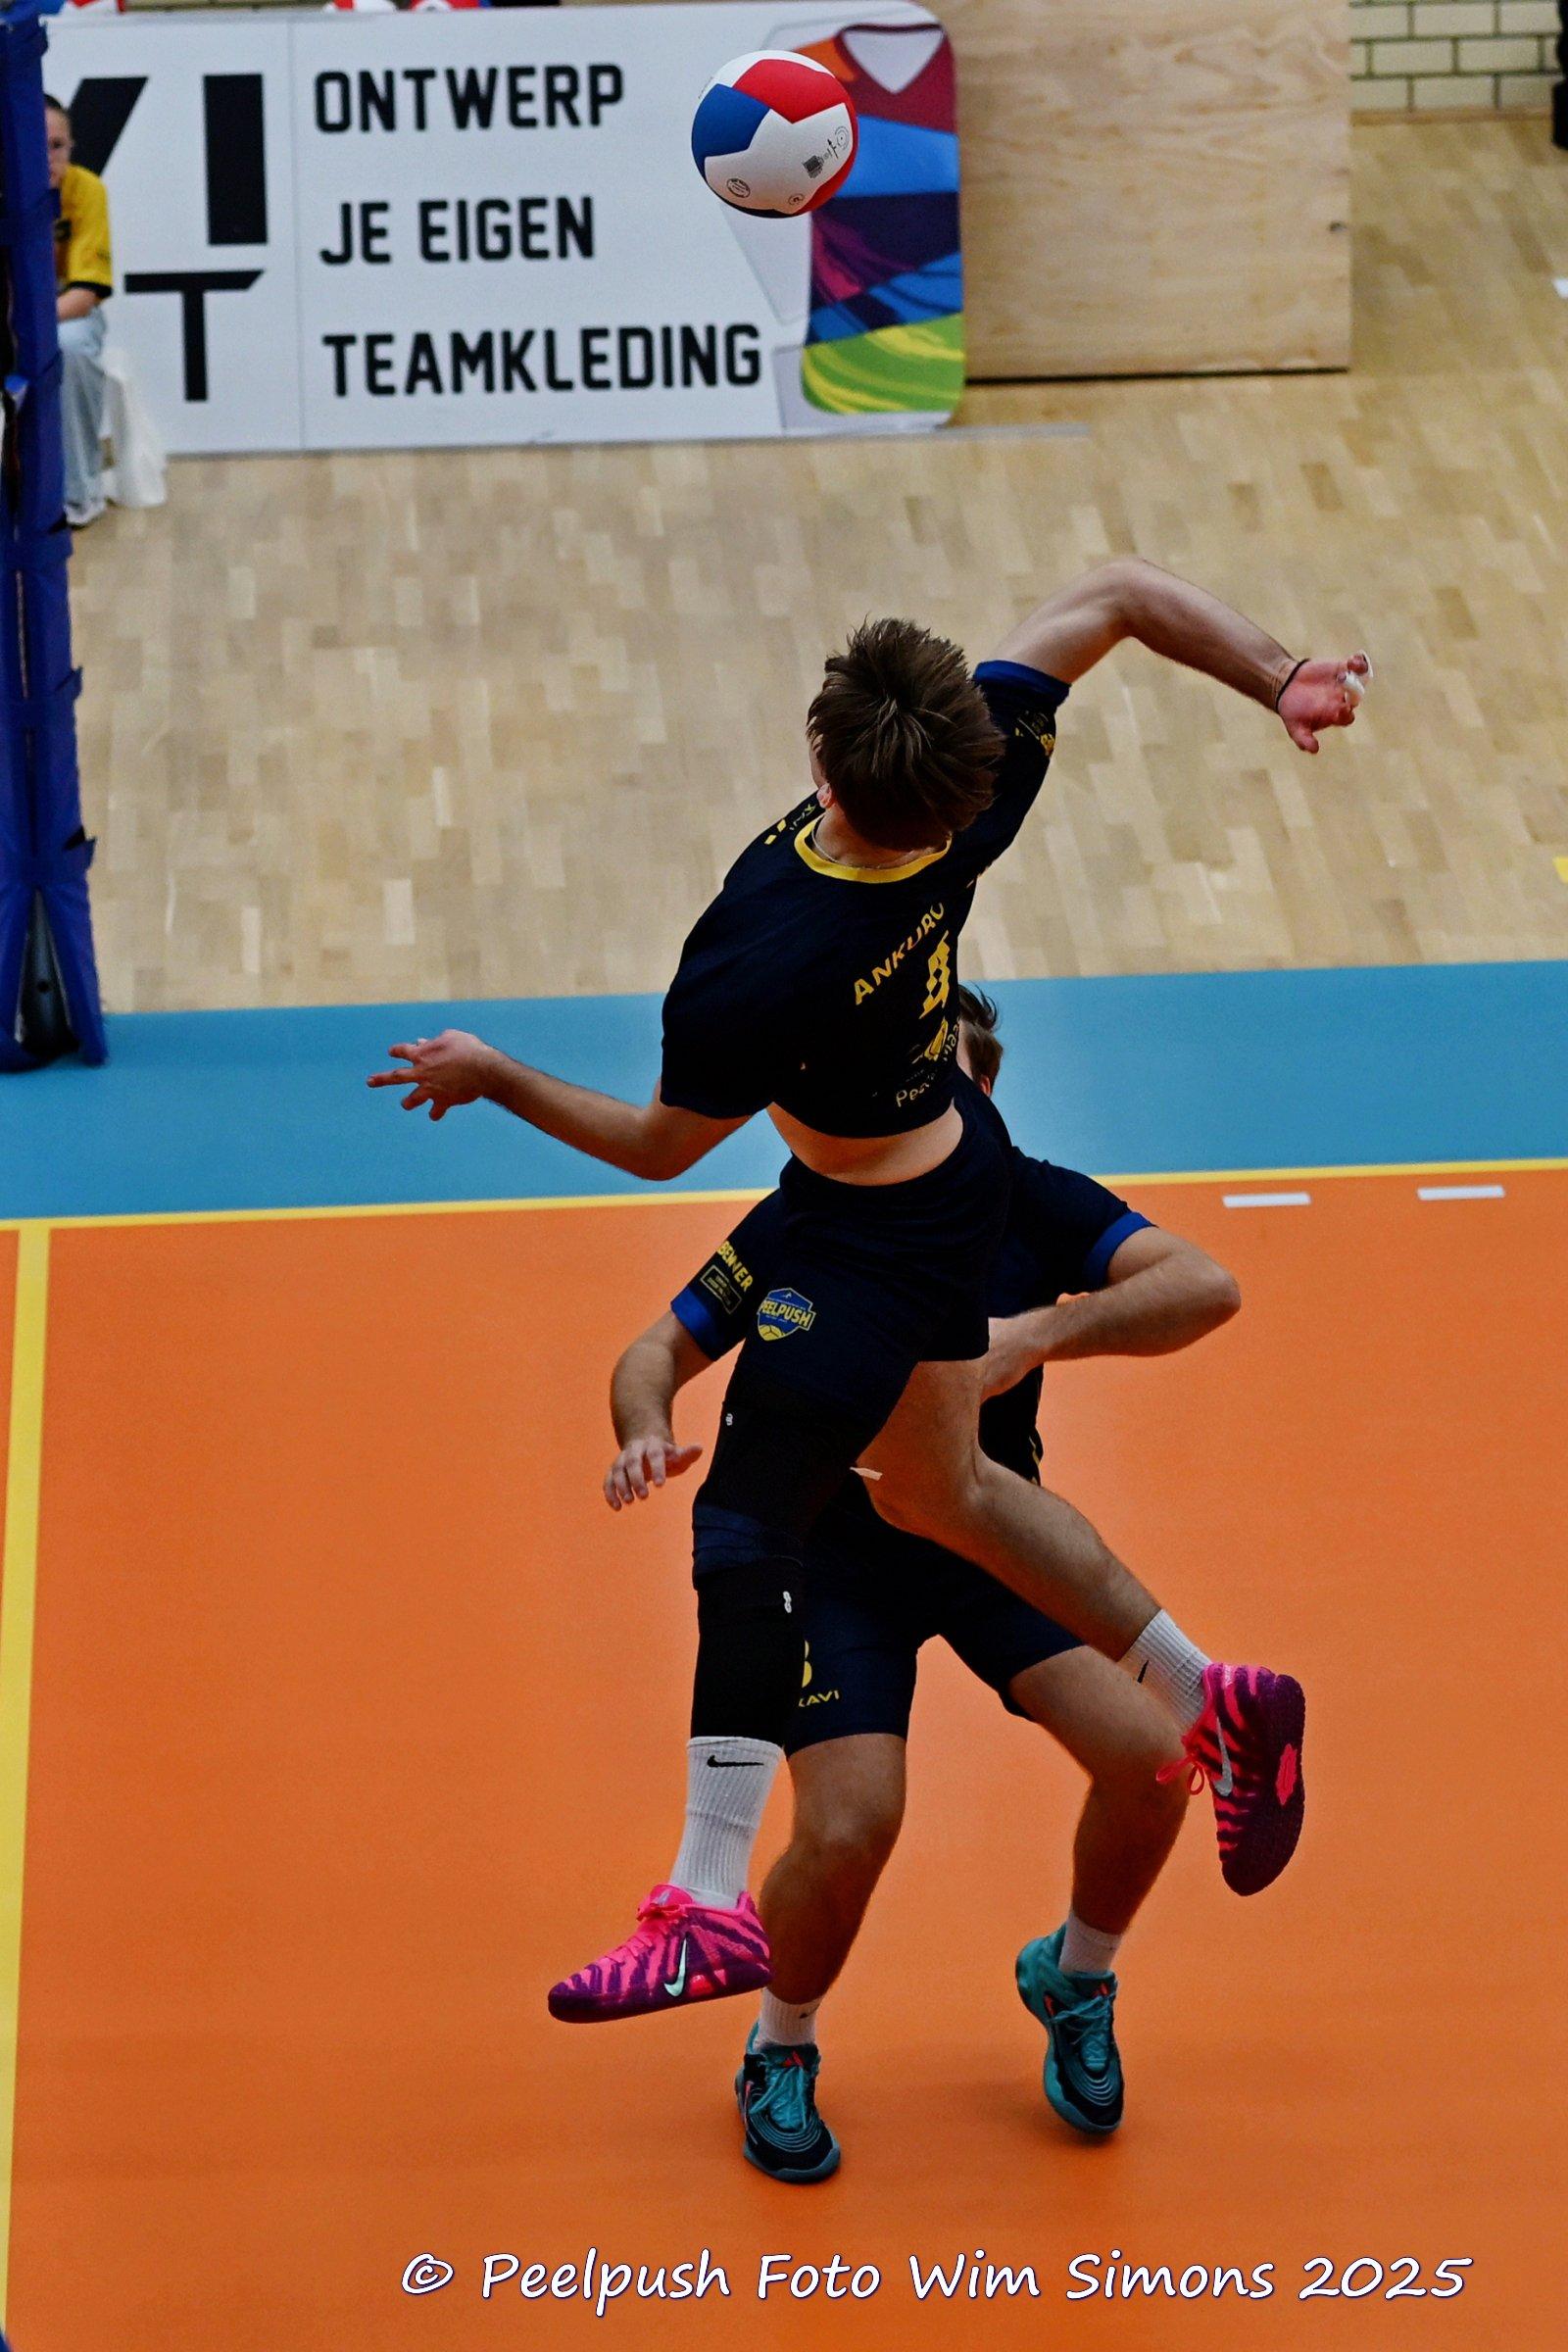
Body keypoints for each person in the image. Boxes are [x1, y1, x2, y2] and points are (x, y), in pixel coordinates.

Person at [370, 560, 1368, 2011]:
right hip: (951, 1175)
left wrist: (496, 1075)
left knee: (742, 1519)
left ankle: (706, 1901)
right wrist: (1279, 676)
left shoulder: (758, 964)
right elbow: (1117, 596)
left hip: (869, 1237)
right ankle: (1205, 1691)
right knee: (944, 1491)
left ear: (819, 759)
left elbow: (657, 1148)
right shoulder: (974, 807)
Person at [598, 988, 1238, 2179]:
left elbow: (1204, 1286)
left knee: (1154, 1762)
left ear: (979, 1100)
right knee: (851, 1826)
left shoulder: (1034, 1201)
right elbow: (655, 1349)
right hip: (831, 1568)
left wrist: (1037, 1333)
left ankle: (1076, 1978)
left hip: (994, 1544)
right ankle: (780, 2045)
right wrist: (644, 1426)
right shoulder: (805, 1217)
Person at [45, 95, 113, 529]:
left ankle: (79, 493)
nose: (48, 158)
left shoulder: (86, 189)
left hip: (65, 310)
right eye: (36, 145)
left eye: (58, 146)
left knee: (66, 348)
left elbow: (86, 293)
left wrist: (26, 325)